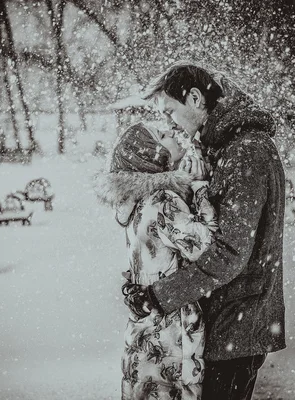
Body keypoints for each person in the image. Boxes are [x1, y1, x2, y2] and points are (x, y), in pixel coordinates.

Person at [122, 62, 286, 400]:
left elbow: (229, 252)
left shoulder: (246, 151)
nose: (169, 124)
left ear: (195, 98)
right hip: (229, 320)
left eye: (170, 112)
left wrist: (159, 295)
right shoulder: (228, 147)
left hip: (238, 323)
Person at [95, 122, 218, 400]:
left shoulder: (136, 202)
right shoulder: (162, 201)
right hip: (170, 335)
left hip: (144, 332)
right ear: (152, 154)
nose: (172, 133)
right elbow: (207, 247)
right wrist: (200, 190)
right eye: (162, 135)